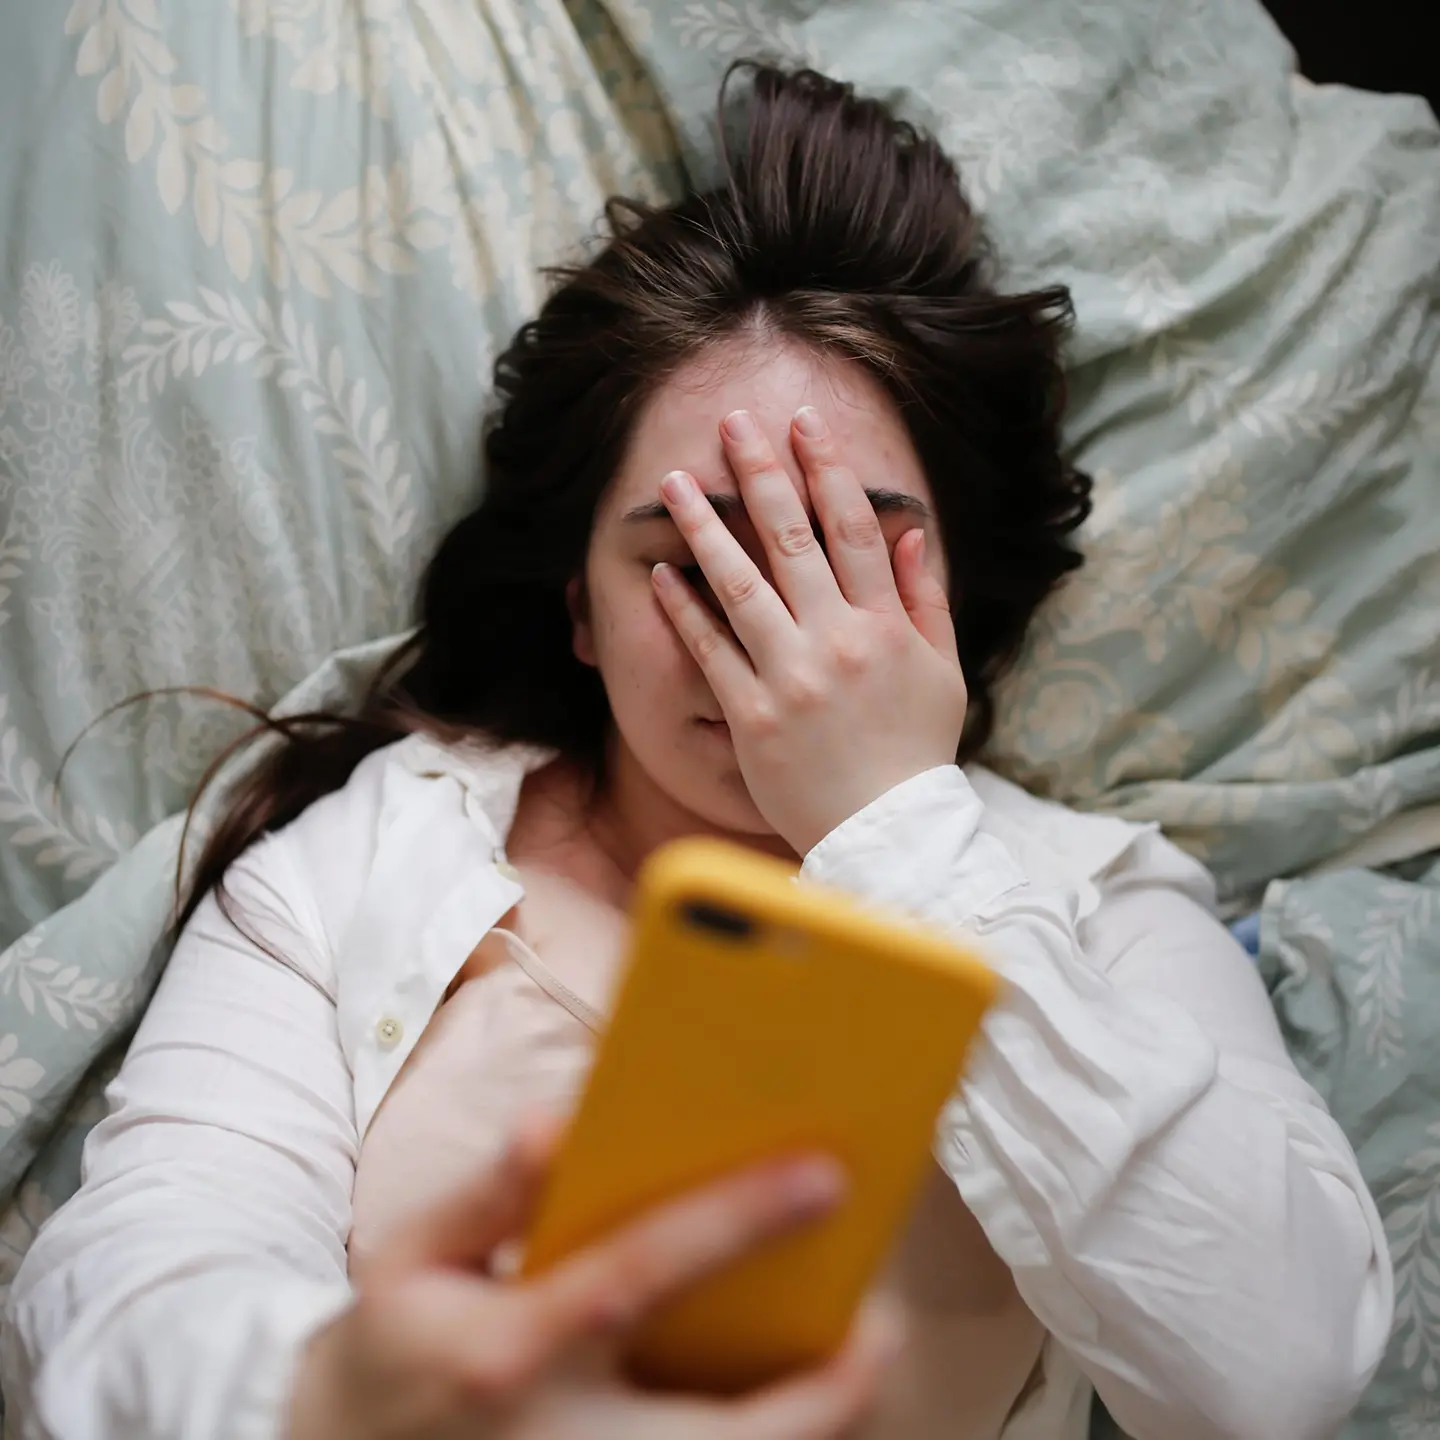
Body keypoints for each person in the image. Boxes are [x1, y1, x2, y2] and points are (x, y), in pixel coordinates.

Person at [3, 63, 1392, 1440]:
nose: (774, 632)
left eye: (851, 557)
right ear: (583, 612)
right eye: (693, 558)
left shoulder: (1104, 904)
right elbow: (134, 1281)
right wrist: (329, 1389)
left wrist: (895, 825)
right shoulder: (360, 863)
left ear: (958, 618)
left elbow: (1277, 1377)